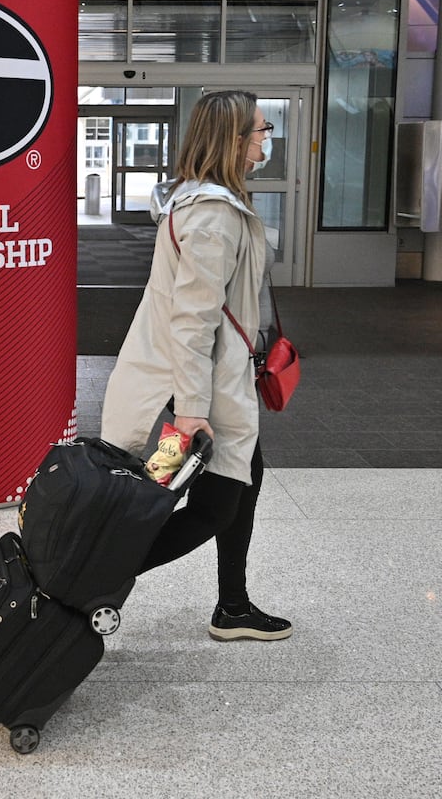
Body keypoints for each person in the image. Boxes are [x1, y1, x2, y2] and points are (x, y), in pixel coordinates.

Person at [99, 89, 291, 642]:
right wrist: (189, 413)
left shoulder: (201, 201)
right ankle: (91, 577)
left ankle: (233, 603)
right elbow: (192, 323)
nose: (266, 138)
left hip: (206, 386)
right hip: (193, 395)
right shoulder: (212, 217)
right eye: (261, 130)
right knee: (207, 506)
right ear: (233, 140)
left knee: (244, 482)